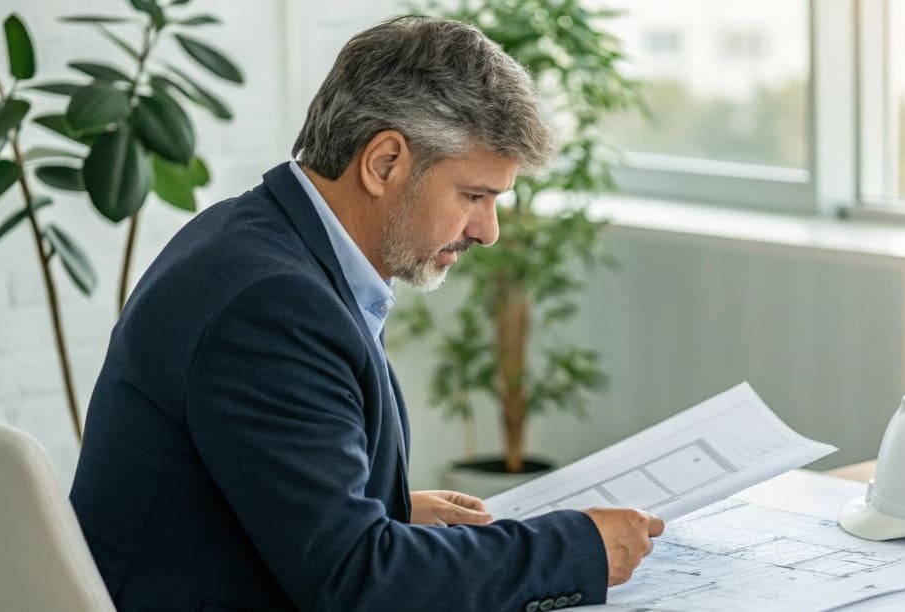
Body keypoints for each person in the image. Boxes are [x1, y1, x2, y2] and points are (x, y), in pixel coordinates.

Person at [70, 15, 663, 612]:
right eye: (474, 196)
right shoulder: (271, 305)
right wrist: (577, 546)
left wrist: (389, 510)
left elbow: (252, 497)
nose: (488, 231)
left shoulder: (252, 237)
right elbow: (359, 583)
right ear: (384, 163)